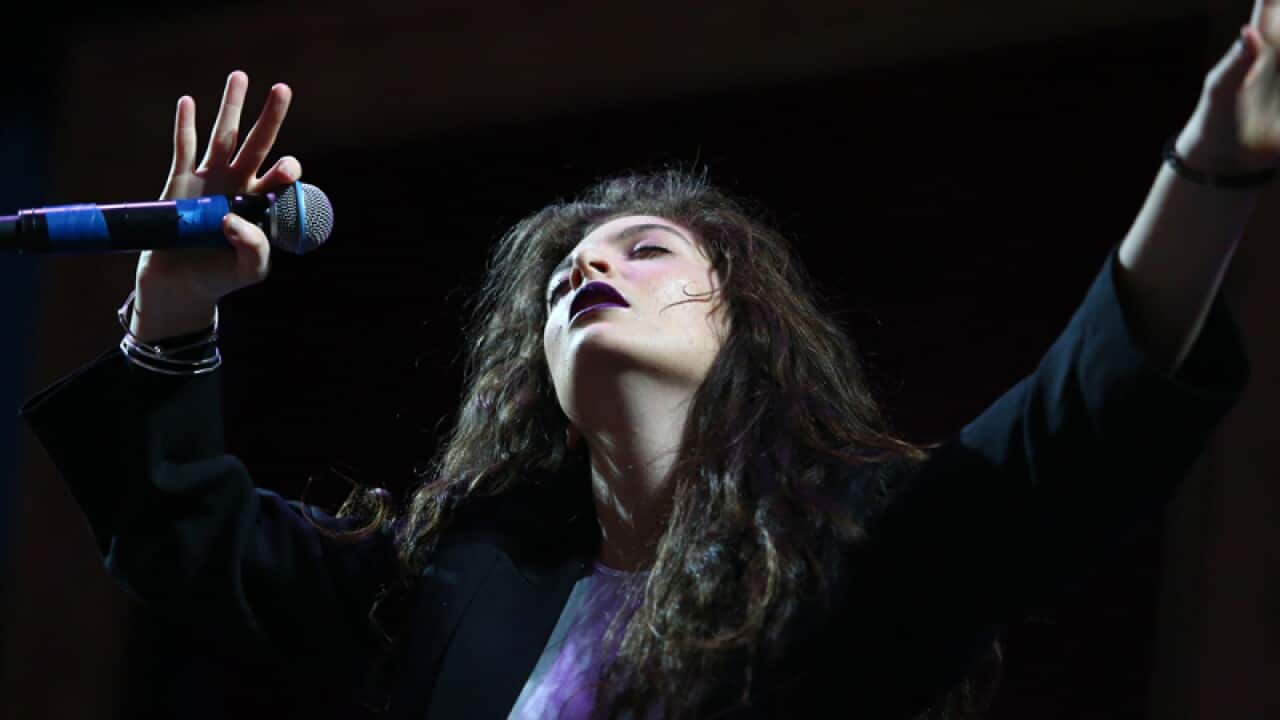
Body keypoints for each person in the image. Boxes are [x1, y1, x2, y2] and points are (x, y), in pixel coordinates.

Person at [21, 5, 1278, 717]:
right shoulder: (451, 583)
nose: (585, 269)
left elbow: (1070, 435)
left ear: (742, 324)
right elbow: (186, 538)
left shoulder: (857, 551)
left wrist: (1208, 169)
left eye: (644, 248)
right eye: (566, 270)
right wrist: (170, 307)